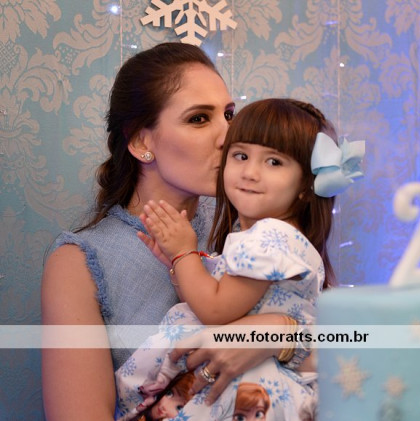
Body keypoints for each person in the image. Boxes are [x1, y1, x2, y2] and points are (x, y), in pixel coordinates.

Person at [41, 43, 303, 420]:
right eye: (199, 118)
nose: (229, 136)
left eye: (229, 115)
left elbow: (344, 355)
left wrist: (280, 331)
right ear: (141, 141)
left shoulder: (254, 225)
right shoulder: (79, 261)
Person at [114, 98, 365, 420]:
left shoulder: (270, 237)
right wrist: (179, 265)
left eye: (273, 162)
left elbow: (214, 311)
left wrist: (184, 253)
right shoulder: (264, 237)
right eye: (241, 156)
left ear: (305, 185)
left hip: (248, 383)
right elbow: (221, 301)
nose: (250, 172)